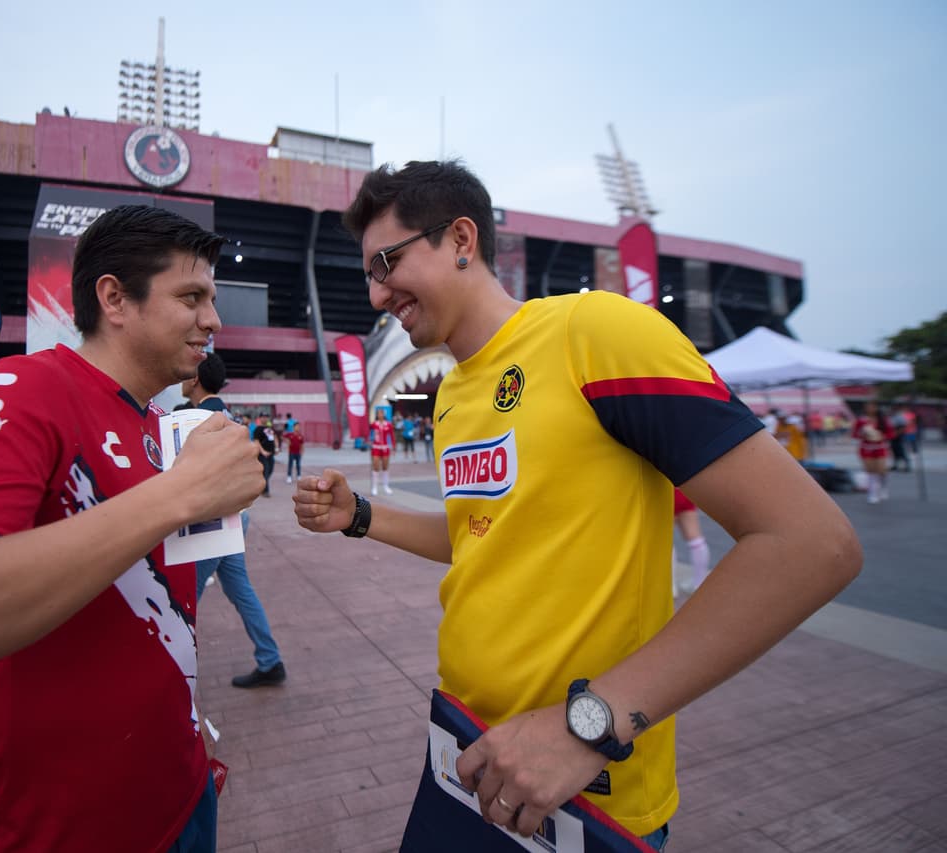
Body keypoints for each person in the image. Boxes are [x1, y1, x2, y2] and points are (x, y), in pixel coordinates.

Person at [292, 160, 861, 847]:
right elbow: (484, 533)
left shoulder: (595, 333)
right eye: (369, 275)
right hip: (467, 750)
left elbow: (812, 543)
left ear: (461, 238)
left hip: (582, 783)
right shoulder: (452, 394)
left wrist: (590, 723)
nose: (377, 294)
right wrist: (360, 515)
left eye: (386, 262)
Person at [0, 204, 265, 853]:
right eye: (192, 296)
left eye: (212, 298)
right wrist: (181, 492)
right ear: (114, 298)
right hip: (55, 831)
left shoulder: (161, 427)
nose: (213, 319)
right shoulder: (23, 390)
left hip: (182, 796)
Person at [184, 353, 287, 688]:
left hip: (211, 521)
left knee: (183, 598)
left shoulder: (191, 419)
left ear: (196, 379)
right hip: (235, 517)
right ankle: (270, 660)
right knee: (240, 590)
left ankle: (169, 669)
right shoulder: (229, 415)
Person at [853, 401, 892, 504]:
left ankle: (883, 487)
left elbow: (890, 433)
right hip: (866, 448)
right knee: (870, 471)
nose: (870, 409)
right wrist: (862, 433)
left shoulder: (882, 420)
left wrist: (882, 436)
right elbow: (855, 434)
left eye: (872, 406)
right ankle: (873, 493)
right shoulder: (861, 420)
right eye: (868, 407)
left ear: (876, 408)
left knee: (881, 470)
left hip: (880, 447)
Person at [671, 489, 710, 594]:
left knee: (666, 541)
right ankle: (699, 583)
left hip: (668, 492)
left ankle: (670, 586)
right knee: (696, 540)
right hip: (684, 492)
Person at [368, 407, 395, 495]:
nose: (380, 415)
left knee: (385, 467)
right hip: (376, 447)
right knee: (375, 466)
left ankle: (386, 486)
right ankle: (374, 487)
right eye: (379, 413)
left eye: (382, 413)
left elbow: (392, 436)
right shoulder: (374, 424)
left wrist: (393, 447)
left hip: (385, 448)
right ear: (377, 415)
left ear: (384, 414)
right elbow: (366, 429)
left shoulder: (388, 424)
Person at [254, 414, 277, 497]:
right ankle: (265, 491)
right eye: (263, 417)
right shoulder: (258, 429)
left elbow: (274, 438)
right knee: (265, 472)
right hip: (262, 455)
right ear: (260, 418)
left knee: (270, 470)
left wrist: (276, 448)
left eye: (266, 417)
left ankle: (261, 484)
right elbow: (256, 441)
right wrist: (263, 452)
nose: (265, 418)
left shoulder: (270, 429)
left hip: (271, 454)